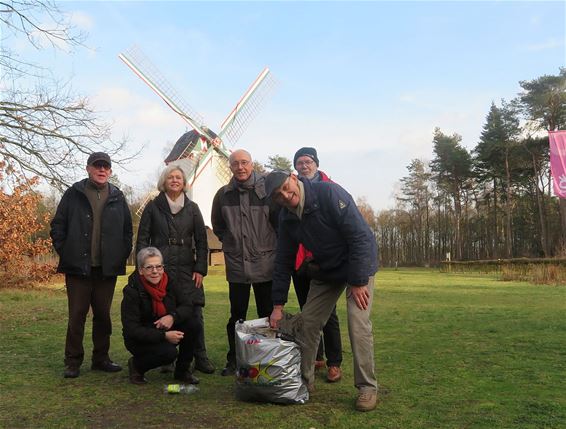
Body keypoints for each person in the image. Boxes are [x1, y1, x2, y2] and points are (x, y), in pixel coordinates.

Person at [266, 170, 379, 412]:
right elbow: (283, 261)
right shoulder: (286, 218)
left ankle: (367, 388)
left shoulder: (329, 193)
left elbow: (360, 237)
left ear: (294, 178)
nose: (286, 195)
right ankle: (304, 382)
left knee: (357, 322)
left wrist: (358, 281)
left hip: (357, 263)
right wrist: (277, 306)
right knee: (309, 322)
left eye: (287, 187)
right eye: (279, 195)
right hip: (327, 268)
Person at [50, 152, 133, 378]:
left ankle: (101, 358)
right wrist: (66, 251)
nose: (102, 170)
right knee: (77, 315)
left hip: (106, 271)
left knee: (103, 316)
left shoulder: (118, 196)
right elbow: (58, 225)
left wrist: (120, 256)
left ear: (110, 171)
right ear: (88, 168)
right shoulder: (73, 194)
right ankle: (72, 361)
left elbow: (127, 231)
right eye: (98, 166)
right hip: (78, 269)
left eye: (106, 166)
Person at [136, 164, 213, 377]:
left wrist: (201, 268)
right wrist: (141, 269)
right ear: (164, 181)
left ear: (184, 182)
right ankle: (166, 356)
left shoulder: (193, 208)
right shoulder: (153, 207)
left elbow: (201, 240)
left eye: (179, 177)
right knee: (162, 310)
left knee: (194, 311)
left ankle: (200, 356)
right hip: (162, 268)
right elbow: (142, 239)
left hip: (188, 268)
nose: (175, 180)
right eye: (171, 177)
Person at [211, 149, 279, 376]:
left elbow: (279, 224)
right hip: (238, 265)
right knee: (236, 315)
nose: (240, 167)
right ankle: (234, 358)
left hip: (265, 264)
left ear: (252, 164)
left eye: (244, 163)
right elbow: (218, 225)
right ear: (229, 167)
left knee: (267, 314)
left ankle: (268, 357)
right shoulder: (223, 195)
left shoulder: (267, 191)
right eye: (235, 164)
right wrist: (231, 242)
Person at [292, 147, 343, 383]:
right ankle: (317, 356)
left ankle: (334, 362)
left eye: (308, 161)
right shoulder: (290, 191)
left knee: (329, 314)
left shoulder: (330, 188)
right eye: (299, 163)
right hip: (300, 261)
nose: (304, 166)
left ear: (316, 164)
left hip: (324, 262)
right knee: (308, 313)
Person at [121, 247, 199, 385]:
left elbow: (188, 305)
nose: (155, 271)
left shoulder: (170, 282)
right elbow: (132, 329)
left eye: (158, 266)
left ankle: (182, 371)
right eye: (149, 267)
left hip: (166, 326)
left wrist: (172, 317)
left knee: (193, 324)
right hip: (141, 338)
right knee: (168, 354)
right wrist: (163, 336)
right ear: (140, 270)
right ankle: (137, 366)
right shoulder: (131, 291)